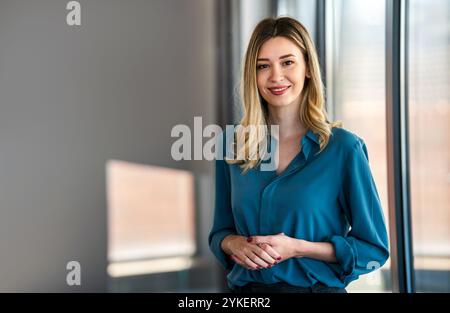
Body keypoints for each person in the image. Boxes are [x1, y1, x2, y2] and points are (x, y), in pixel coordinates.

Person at [208, 17, 389, 293]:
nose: (276, 76)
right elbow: (220, 232)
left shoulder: (344, 149)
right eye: (263, 66)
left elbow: (373, 249)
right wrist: (232, 243)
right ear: (252, 75)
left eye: (287, 62)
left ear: (307, 67)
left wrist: (298, 249)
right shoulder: (230, 148)